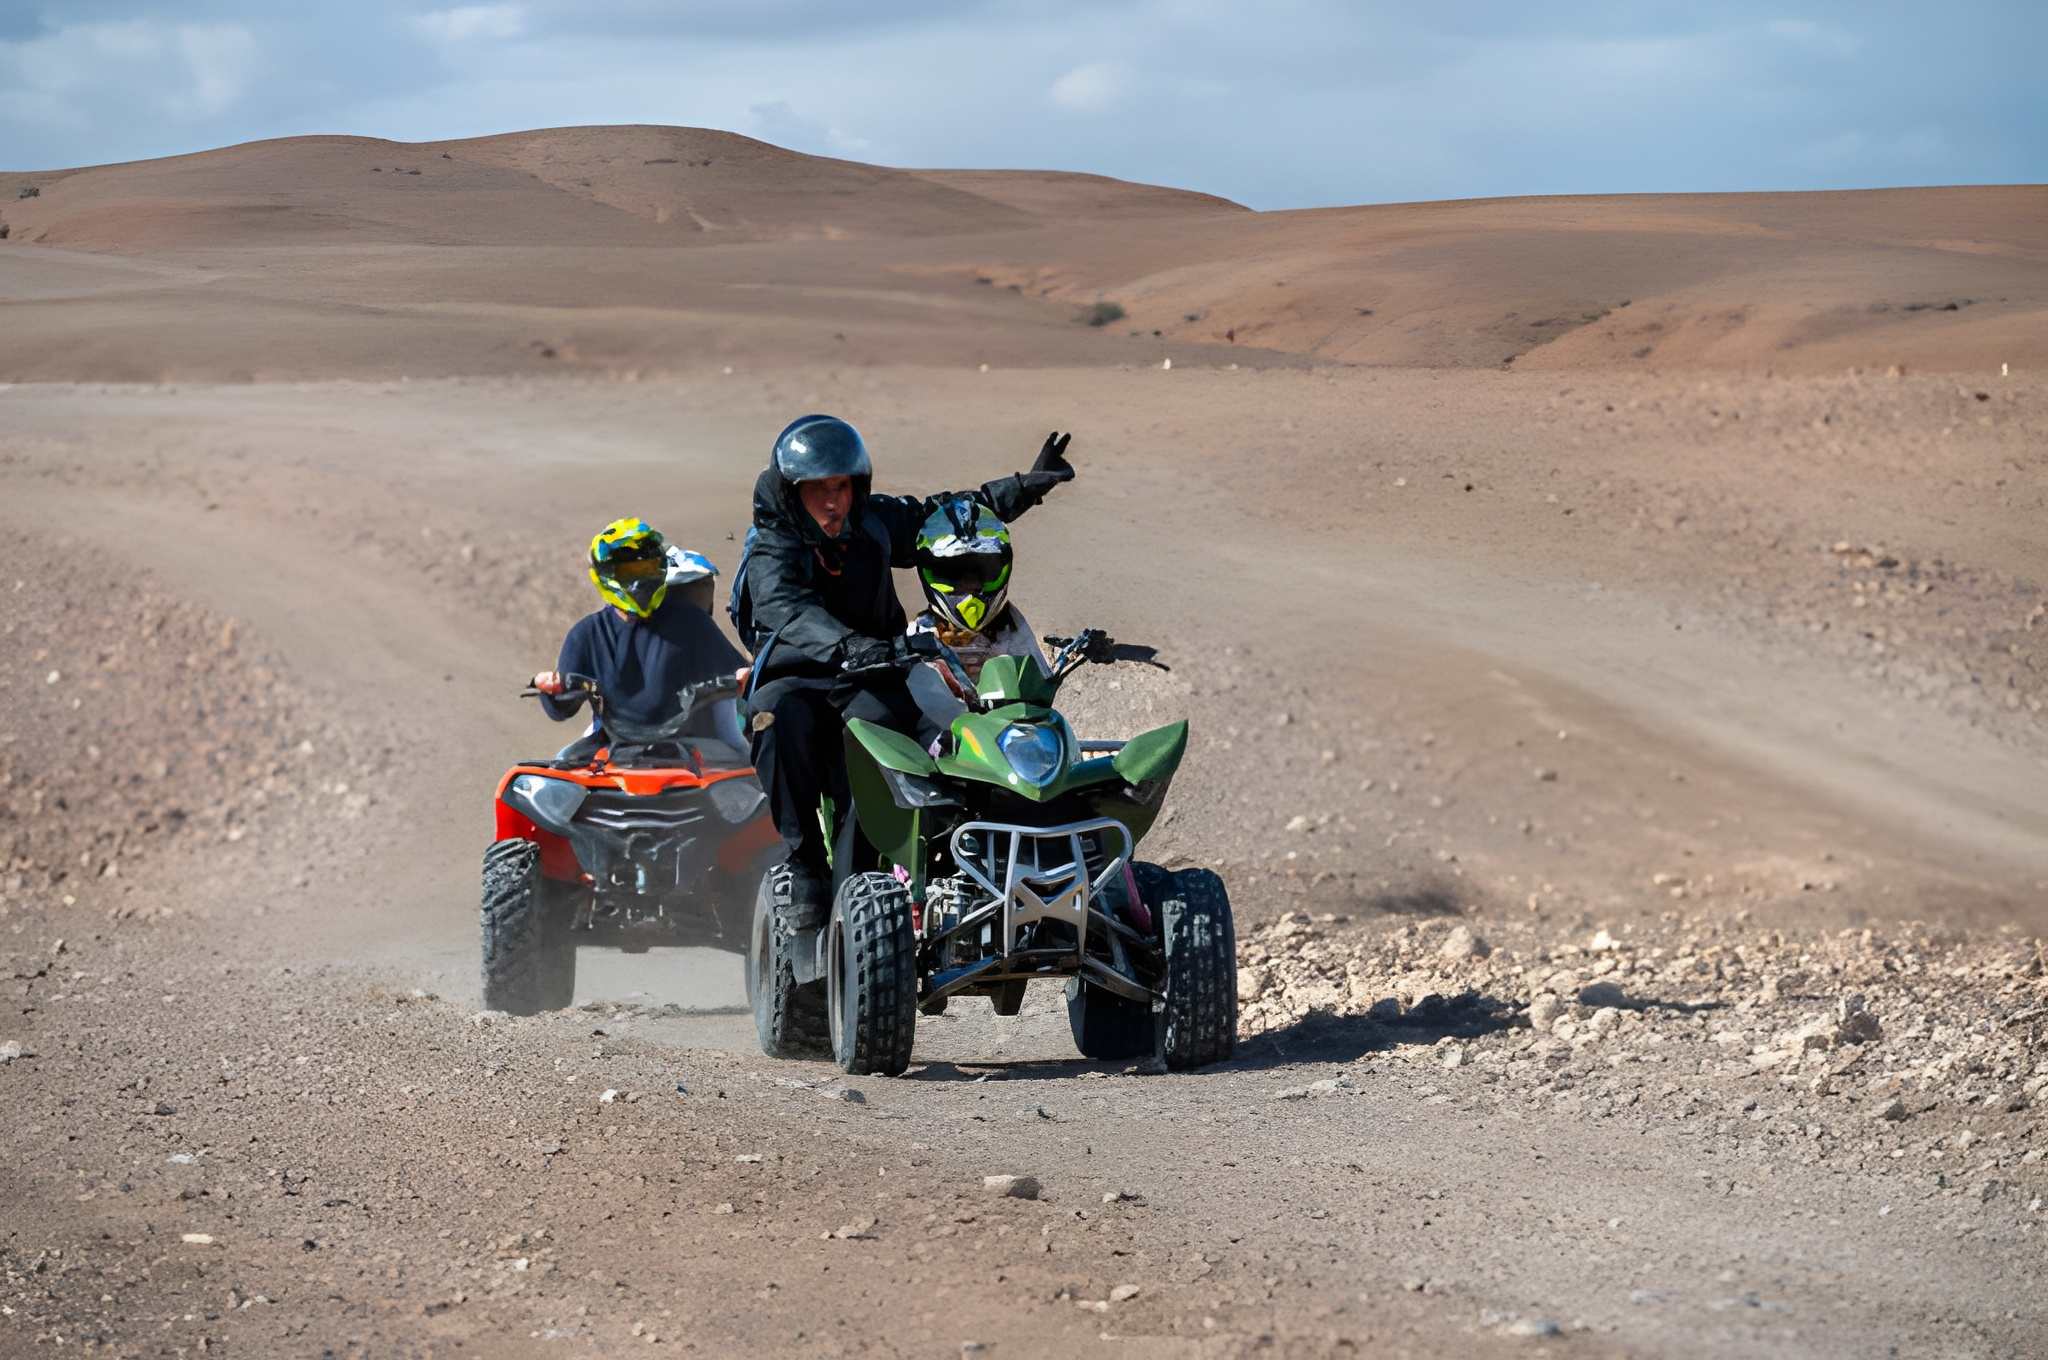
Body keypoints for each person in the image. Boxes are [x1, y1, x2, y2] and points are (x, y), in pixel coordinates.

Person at [741, 414, 1076, 925]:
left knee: (889, 746)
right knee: (775, 718)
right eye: (818, 490)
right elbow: (787, 609)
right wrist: (849, 644)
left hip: (875, 670)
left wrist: (1022, 490)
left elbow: (945, 515)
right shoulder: (772, 547)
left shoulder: (872, 521)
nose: (833, 501)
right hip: (800, 672)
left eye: (843, 486)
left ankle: (885, 873)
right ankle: (804, 861)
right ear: (792, 492)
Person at [532, 519, 749, 758]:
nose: (639, 582)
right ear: (605, 575)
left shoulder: (691, 622)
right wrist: (553, 690)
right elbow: (561, 710)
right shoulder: (586, 634)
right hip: (612, 749)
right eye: (629, 573)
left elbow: (739, 676)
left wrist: (743, 679)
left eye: (646, 569)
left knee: (751, 775)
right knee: (553, 773)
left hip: (691, 750)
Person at [905, 495, 1049, 741]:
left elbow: (1040, 694)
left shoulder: (1011, 626)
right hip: (946, 758)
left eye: (982, 571)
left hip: (1010, 745)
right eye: (954, 573)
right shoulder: (918, 635)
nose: (970, 585)